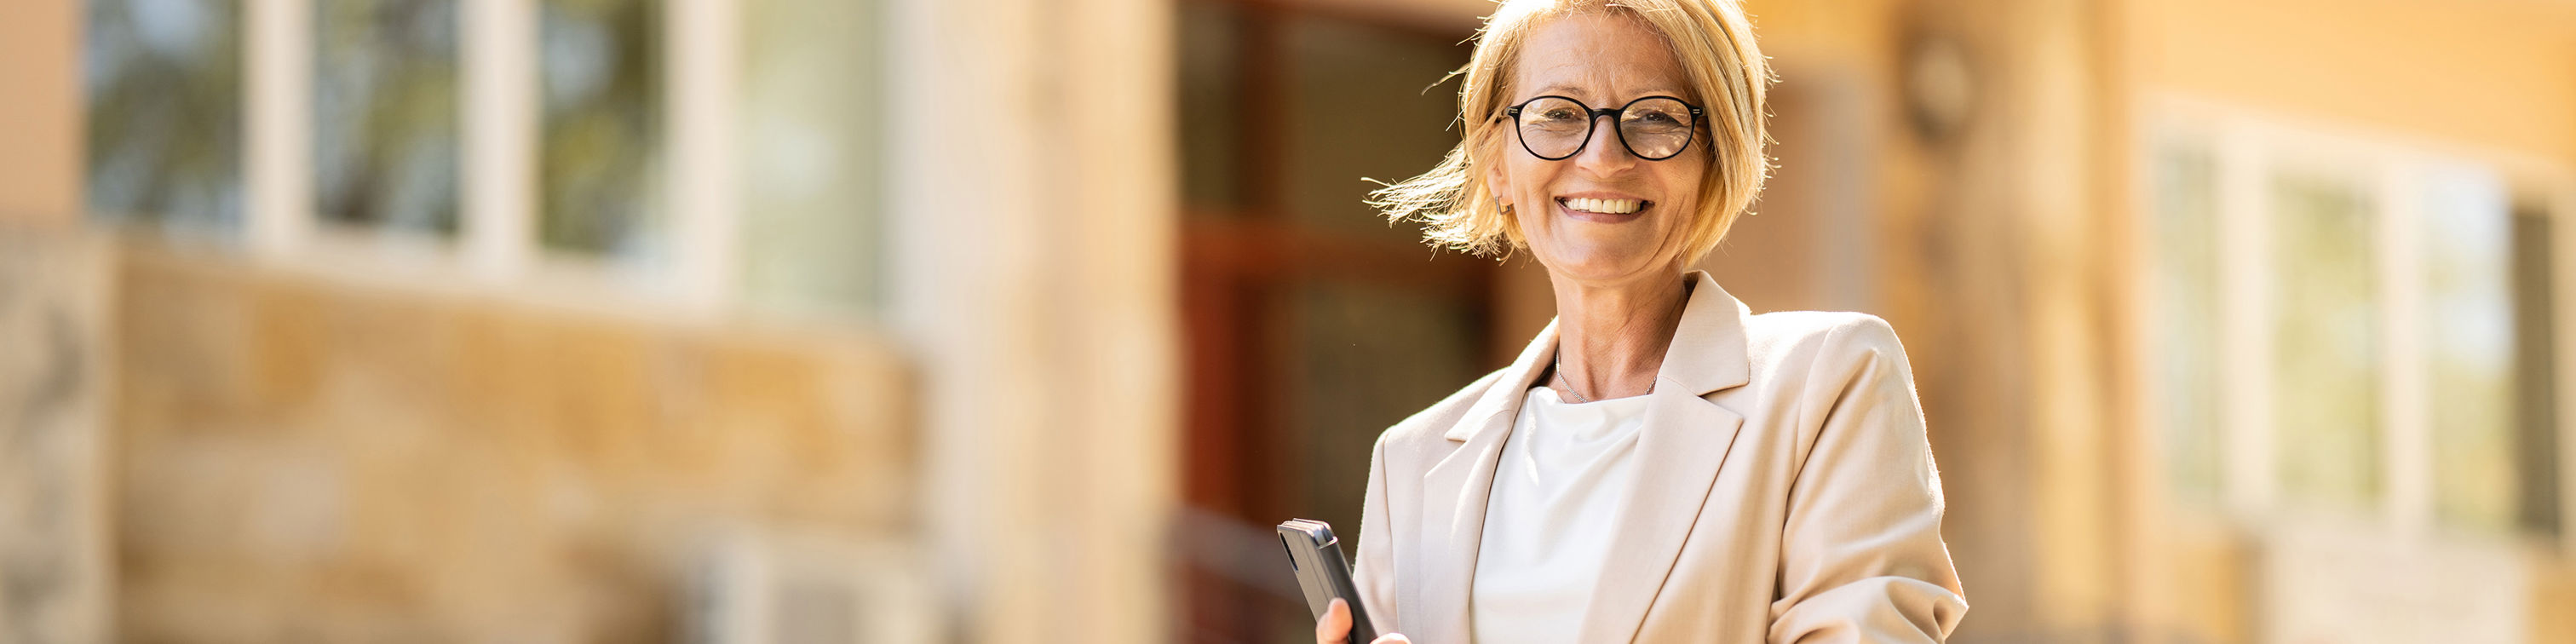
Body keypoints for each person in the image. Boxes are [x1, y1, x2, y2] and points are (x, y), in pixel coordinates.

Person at [1312, 1, 1968, 641]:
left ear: (1714, 159)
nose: (1603, 156)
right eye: (1558, 114)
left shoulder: (1828, 384)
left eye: (1655, 117)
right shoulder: (1412, 459)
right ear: (1496, 164)